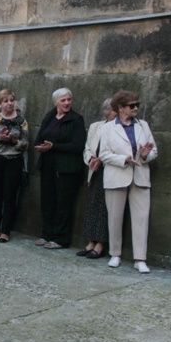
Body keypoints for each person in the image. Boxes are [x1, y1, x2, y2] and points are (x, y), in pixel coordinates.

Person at [99, 91, 158, 273]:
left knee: (141, 218)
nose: (135, 108)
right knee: (115, 217)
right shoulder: (108, 128)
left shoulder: (143, 125)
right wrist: (124, 159)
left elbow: (153, 149)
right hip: (117, 176)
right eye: (132, 105)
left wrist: (146, 155)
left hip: (140, 175)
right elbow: (103, 154)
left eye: (137, 105)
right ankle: (115, 254)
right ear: (120, 108)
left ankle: (140, 258)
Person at [33, 88, 86, 249]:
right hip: (48, 164)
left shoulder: (76, 119)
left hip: (66, 168)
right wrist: (41, 146)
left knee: (63, 203)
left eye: (69, 99)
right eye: (63, 100)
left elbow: (78, 145)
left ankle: (61, 238)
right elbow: (40, 137)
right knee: (47, 201)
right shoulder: (49, 116)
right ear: (55, 102)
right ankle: (47, 233)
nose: (67, 103)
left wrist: (54, 146)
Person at [0, 89, 29, 242]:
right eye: (6, 101)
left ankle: (6, 230)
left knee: (10, 196)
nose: (9, 103)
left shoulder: (21, 121)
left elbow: (25, 144)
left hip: (13, 161)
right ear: (0, 104)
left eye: (11, 100)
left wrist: (12, 141)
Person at [77, 98, 116, 259]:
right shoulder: (96, 126)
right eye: (114, 109)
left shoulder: (119, 128)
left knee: (105, 209)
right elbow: (87, 147)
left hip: (110, 171)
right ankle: (91, 241)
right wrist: (91, 159)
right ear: (108, 111)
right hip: (95, 171)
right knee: (93, 205)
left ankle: (101, 243)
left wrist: (103, 160)